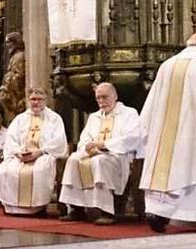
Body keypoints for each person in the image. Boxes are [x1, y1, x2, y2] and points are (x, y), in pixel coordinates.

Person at [60, 83, 141, 225]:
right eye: (98, 98)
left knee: (100, 161)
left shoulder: (129, 113)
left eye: (105, 97)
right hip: (95, 154)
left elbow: (133, 138)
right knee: (73, 159)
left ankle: (107, 211)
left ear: (115, 96)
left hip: (118, 155)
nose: (101, 102)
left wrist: (104, 145)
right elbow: (84, 139)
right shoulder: (94, 117)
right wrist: (89, 147)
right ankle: (76, 208)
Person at [138, 33, 196, 232]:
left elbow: (151, 104)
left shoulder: (168, 64)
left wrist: (146, 131)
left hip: (165, 135)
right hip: (191, 132)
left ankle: (158, 212)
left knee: (168, 166)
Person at [0, 87, 68, 215]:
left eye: (39, 99)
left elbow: (59, 141)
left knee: (39, 170)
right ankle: (12, 207)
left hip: (43, 154)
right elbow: (10, 140)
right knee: (7, 170)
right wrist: (18, 152)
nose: (36, 102)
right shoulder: (20, 119)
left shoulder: (54, 118)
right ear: (28, 100)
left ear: (45, 100)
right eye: (33, 99)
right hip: (21, 155)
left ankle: (37, 208)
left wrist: (39, 152)